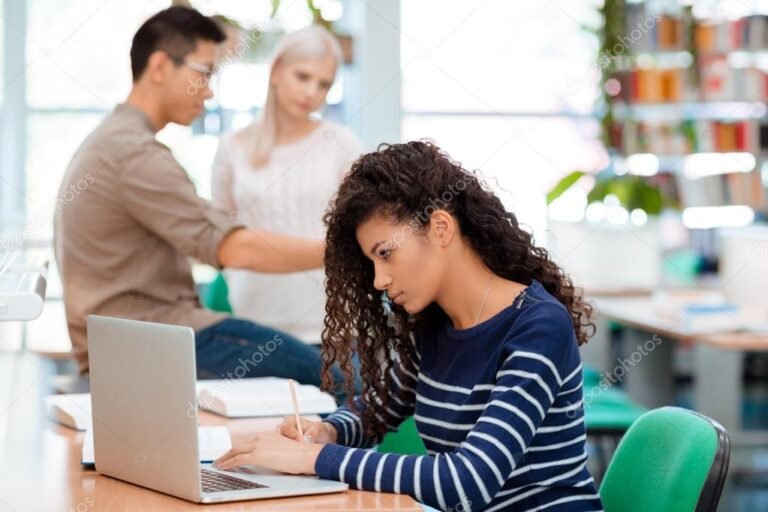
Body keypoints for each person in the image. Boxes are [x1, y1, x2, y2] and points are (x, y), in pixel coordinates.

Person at [214, 141, 604, 511]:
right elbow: (375, 410)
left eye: (386, 254)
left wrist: (314, 458)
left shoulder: (537, 326)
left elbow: (467, 483)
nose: (378, 280)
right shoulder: (434, 324)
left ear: (440, 228)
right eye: (372, 263)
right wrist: (327, 432)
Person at [53, 6, 343, 391]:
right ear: (159, 67)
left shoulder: (117, 141)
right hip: (154, 340)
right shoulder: (132, 153)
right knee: (337, 381)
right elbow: (232, 248)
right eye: (204, 73)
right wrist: (344, 251)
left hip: (136, 338)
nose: (208, 91)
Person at [212, 25, 362, 344]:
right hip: (254, 321)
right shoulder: (232, 147)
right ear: (277, 70)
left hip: (331, 323)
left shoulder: (342, 145)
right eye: (303, 77)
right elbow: (220, 230)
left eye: (324, 84)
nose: (311, 93)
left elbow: (360, 230)